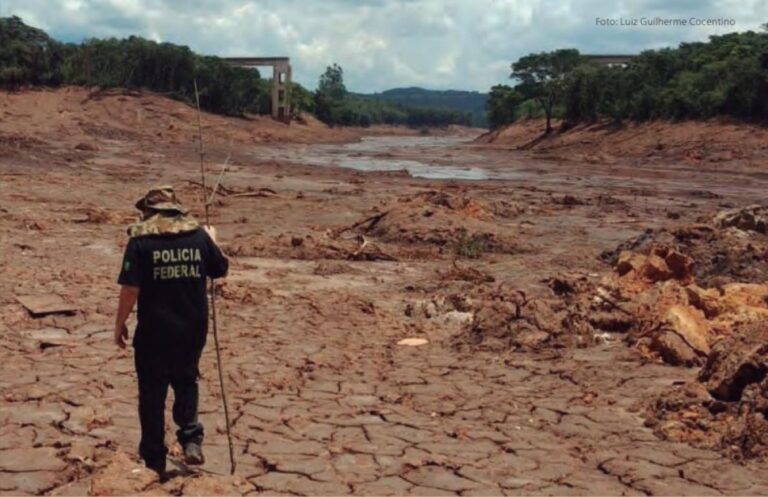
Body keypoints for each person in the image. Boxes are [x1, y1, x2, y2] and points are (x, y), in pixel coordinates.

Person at [114, 185, 228, 476]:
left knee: (152, 393)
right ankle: (190, 439)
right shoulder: (199, 236)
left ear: (149, 212)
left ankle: (154, 459)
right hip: (193, 329)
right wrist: (213, 240)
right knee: (186, 381)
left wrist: (120, 323)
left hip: (154, 332)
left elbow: (130, 289)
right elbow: (220, 269)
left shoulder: (141, 242)